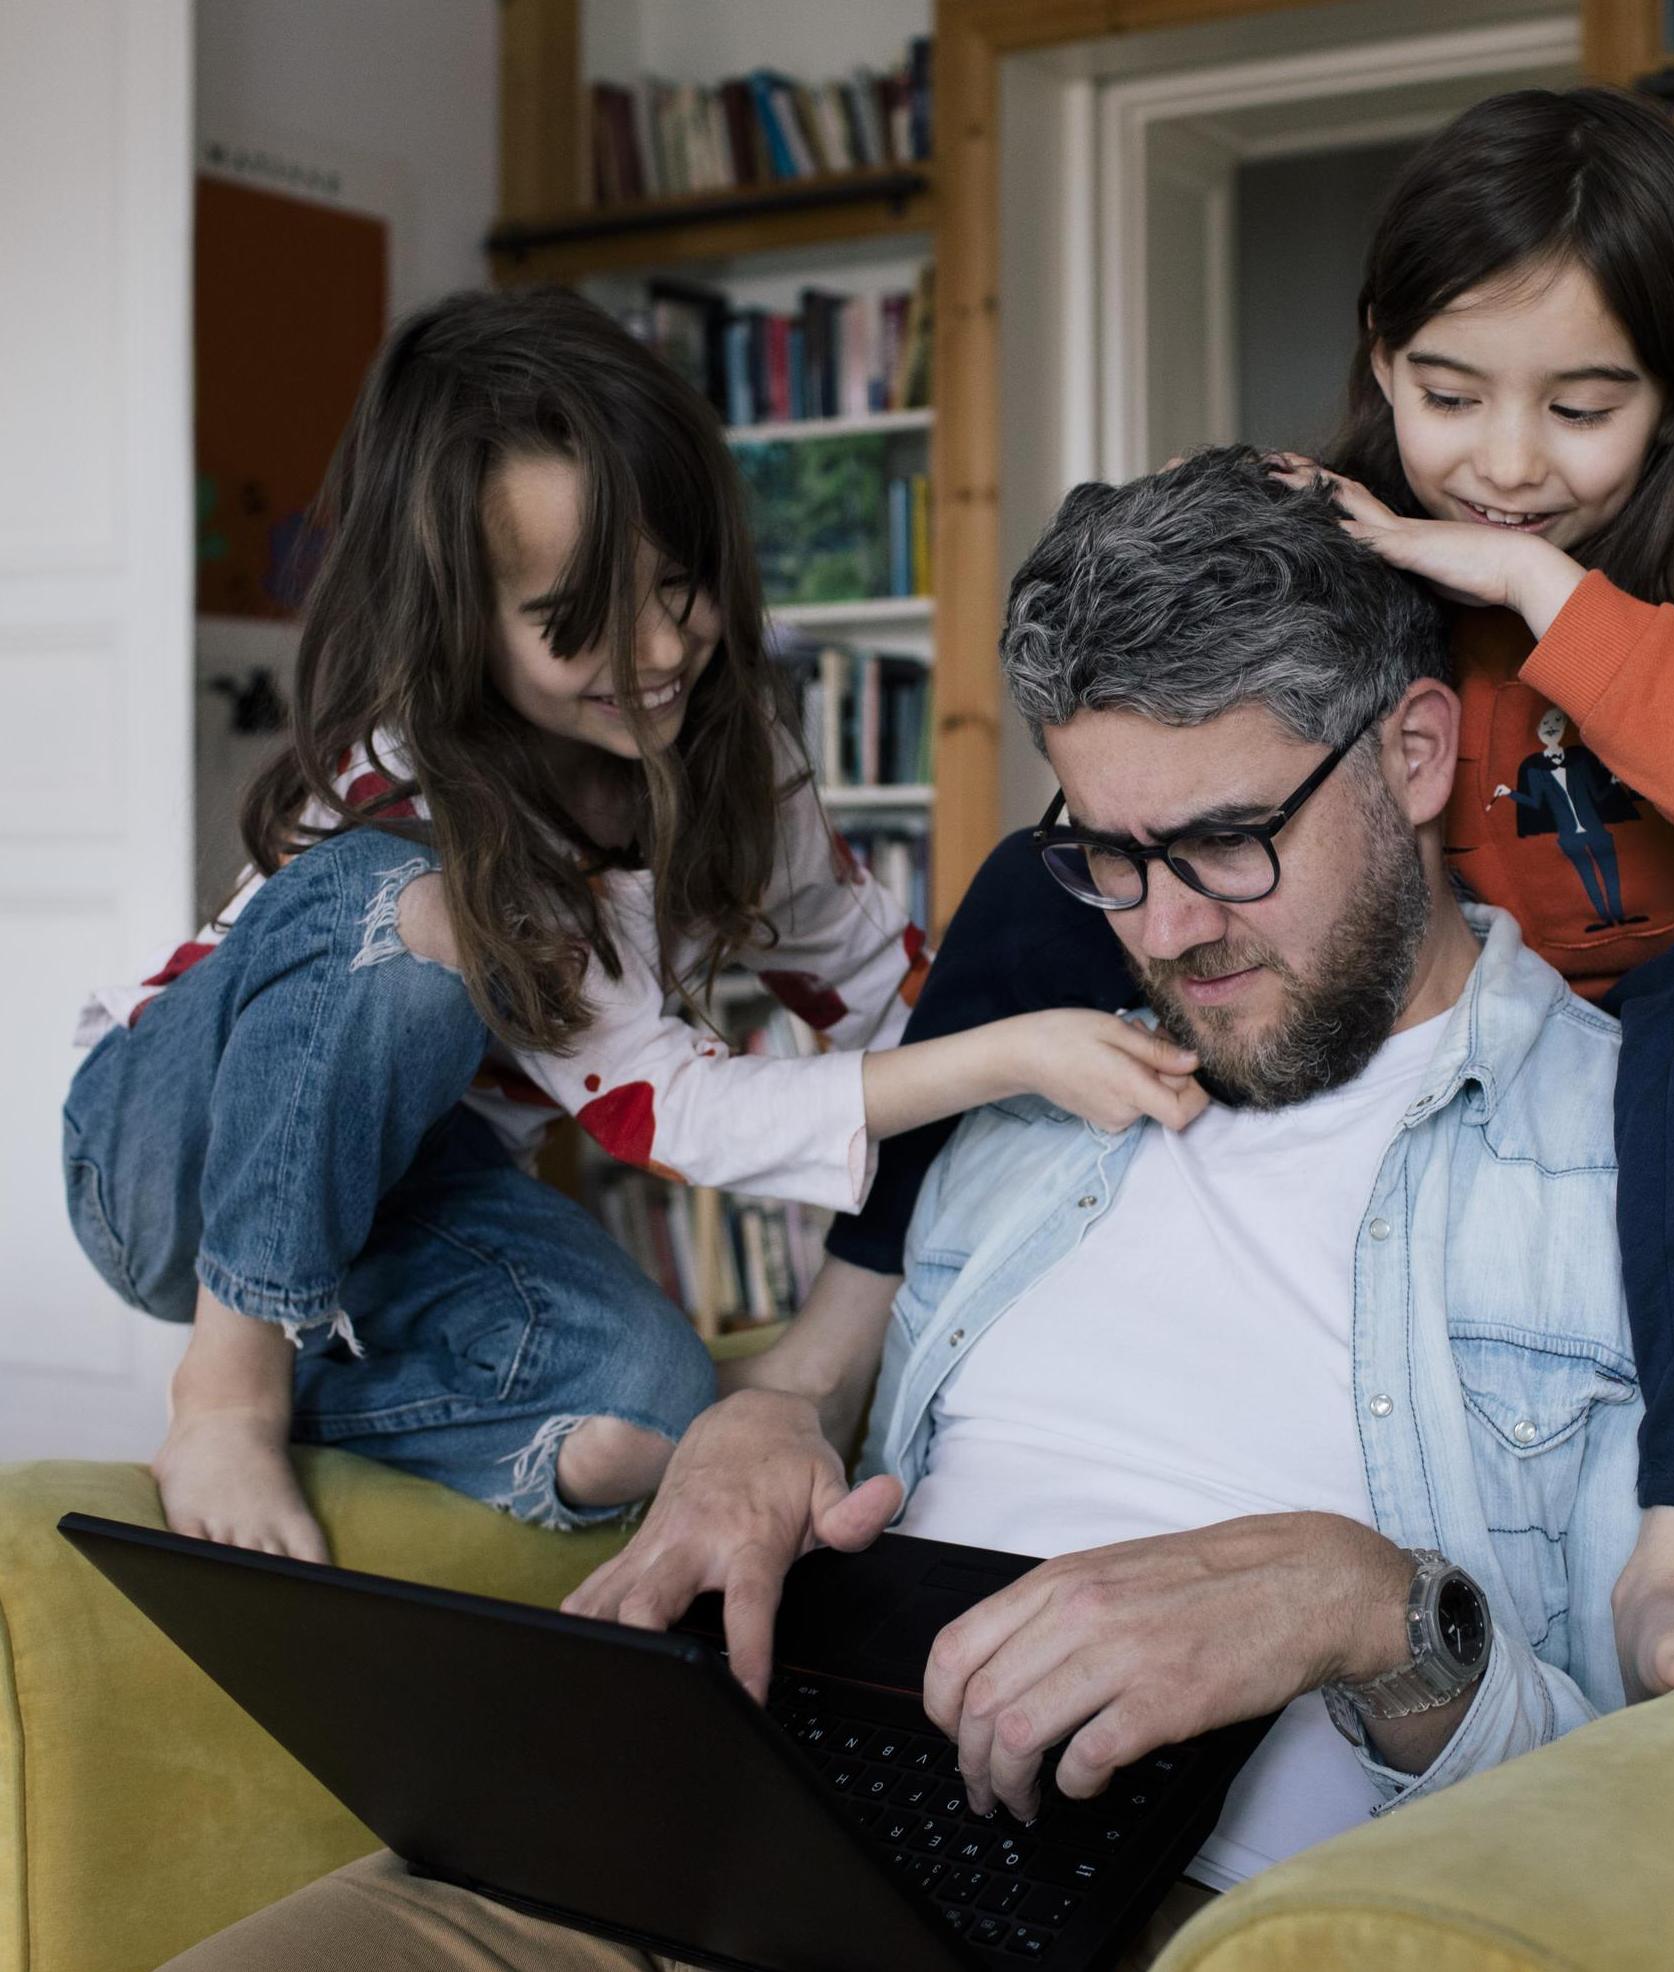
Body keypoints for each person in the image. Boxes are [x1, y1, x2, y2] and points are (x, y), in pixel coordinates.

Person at [159, 448, 1674, 1972]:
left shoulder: (1666, 1155)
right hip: (706, 1819)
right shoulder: (1038, 1094)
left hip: (1162, 1907)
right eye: (1105, 854)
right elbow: (837, 1360)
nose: (1164, 928)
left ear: (1416, 752)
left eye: (1223, 841)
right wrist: (758, 1430)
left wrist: (1369, 1608)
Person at [659, 84, 1674, 1706]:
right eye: (1451, 394)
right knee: (1028, 883)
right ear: (1383, 356)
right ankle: (815, 1345)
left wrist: (1541, 589)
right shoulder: (1375, 528)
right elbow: (1202, 727)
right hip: (889, 1710)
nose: (1506, 466)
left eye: (1579, 408)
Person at [62, 289, 1204, 1568]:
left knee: (650, 1411)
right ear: (459, 622)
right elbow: (669, 1105)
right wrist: (1012, 1054)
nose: (660, 650)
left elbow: (870, 974)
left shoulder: (730, 752)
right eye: (577, 624)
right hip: (163, 1159)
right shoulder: (414, 786)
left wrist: (1016, 1116)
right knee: (409, 916)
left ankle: (375, 1382)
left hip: (403, 1201)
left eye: (680, 586)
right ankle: (228, 1385)